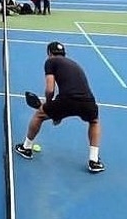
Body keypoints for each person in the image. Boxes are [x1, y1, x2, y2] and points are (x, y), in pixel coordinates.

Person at [15, 42, 104, 173]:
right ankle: (94, 161)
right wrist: (57, 113)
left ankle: (26, 148)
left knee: (39, 115)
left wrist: (48, 105)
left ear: (49, 53)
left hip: (67, 98)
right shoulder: (74, 63)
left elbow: (50, 89)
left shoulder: (50, 62)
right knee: (94, 121)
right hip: (88, 100)